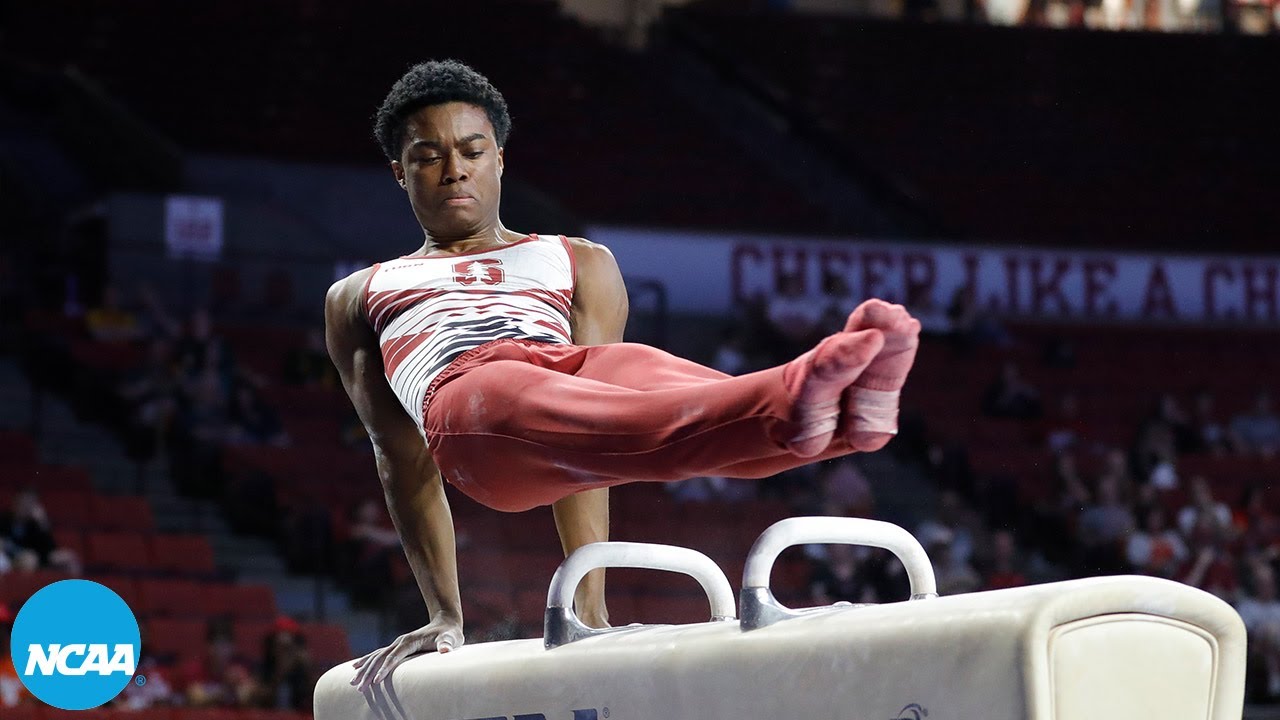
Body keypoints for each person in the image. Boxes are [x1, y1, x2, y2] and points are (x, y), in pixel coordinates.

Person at [325, 60, 922, 690]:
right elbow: (401, 459)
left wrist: (590, 606)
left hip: (560, 383)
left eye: (472, 151)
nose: (455, 170)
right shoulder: (361, 293)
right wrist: (444, 614)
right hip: (468, 408)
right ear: (399, 170)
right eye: (428, 157)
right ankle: (796, 396)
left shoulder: (578, 261)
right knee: (550, 396)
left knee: (638, 376)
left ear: (498, 157)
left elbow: (594, 446)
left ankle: (840, 422)